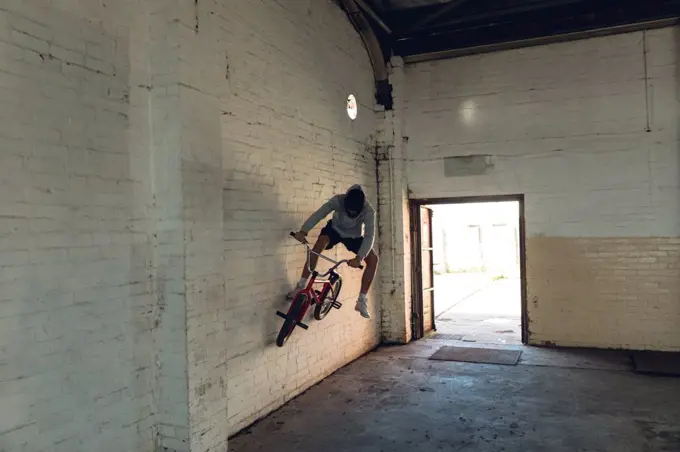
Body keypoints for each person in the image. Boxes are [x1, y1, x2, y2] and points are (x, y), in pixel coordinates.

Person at [290, 184, 378, 319]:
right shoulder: (338, 201)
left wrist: (359, 257)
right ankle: (300, 286)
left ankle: (361, 300)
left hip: (354, 237)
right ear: (345, 203)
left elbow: (369, 236)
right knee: (317, 247)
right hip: (334, 230)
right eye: (350, 211)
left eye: (356, 212)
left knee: (373, 260)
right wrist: (303, 231)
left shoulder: (368, 211)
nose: (353, 214)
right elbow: (319, 214)